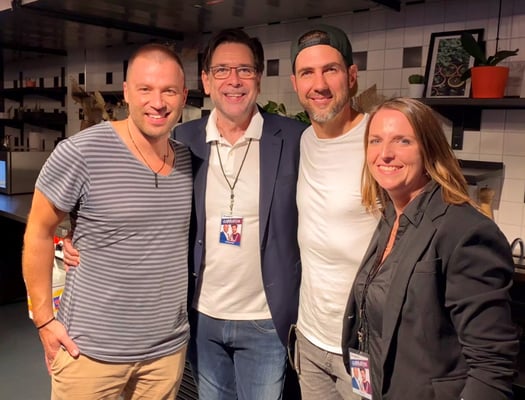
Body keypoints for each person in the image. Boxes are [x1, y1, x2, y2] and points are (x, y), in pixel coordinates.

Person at [22, 43, 193, 399]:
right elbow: (38, 231)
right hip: (88, 354)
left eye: (169, 91)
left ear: (184, 96)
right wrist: (44, 320)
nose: (157, 102)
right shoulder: (81, 151)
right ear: (127, 92)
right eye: (145, 89)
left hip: (165, 354)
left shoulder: (188, 161)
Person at [342, 97, 519, 399]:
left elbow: (491, 367)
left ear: (429, 148)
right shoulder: (392, 215)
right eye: (375, 140)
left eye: (403, 141)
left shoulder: (465, 231)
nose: (385, 153)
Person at [173, 28, 305, 400]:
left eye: (244, 70)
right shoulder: (183, 140)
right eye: (222, 70)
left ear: (258, 78)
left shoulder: (295, 139)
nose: (233, 80)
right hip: (203, 316)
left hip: (265, 319)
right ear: (206, 80)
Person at [288, 24, 378, 400]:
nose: (319, 84)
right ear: (295, 84)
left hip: (363, 345)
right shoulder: (303, 140)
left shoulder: (379, 139)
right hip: (310, 340)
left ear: (352, 76)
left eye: (331, 70)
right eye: (307, 73)